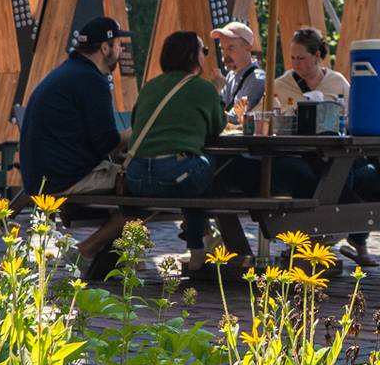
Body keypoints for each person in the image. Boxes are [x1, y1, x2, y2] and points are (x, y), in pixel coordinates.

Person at [124, 31, 227, 272]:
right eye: (204, 51)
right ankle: (203, 239)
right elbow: (217, 126)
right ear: (193, 56)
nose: (205, 56)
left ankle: (199, 241)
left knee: (195, 173)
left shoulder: (150, 86)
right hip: (174, 177)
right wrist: (217, 91)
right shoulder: (203, 88)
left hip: (136, 177)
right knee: (209, 166)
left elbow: (137, 121)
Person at [18, 16, 133, 196]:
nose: (121, 49)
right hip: (65, 180)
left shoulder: (68, 73)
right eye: (118, 44)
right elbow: (107, 143)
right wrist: (137, 131)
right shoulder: (92, 81)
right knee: (143, 180)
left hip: (39, 179)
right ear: (105, 48)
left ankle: (112, 224)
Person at [272, 26, 350, 106]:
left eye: (301, 58)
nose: (295, 63)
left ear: (317, 55)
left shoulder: (338, 83)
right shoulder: (280, 86)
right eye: (293, 58)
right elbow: (261, 114)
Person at [213, 21, 266, 124]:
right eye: (222, 49)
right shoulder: (231, 76)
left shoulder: (257, 79)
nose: (225, 54)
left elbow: (236, 118)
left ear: (248, 48)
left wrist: (215, 91)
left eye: (230, 48)